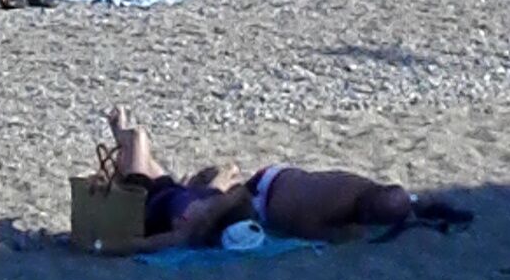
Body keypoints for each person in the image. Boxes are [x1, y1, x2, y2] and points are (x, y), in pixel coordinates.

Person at [105, 108, 474, 247]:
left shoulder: (365, 191)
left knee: (142, 147)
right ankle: (132, 143)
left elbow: (140, 245)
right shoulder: (334, 214)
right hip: (249, 192)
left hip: (269, 179)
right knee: (209, 179)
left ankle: (124, 135)